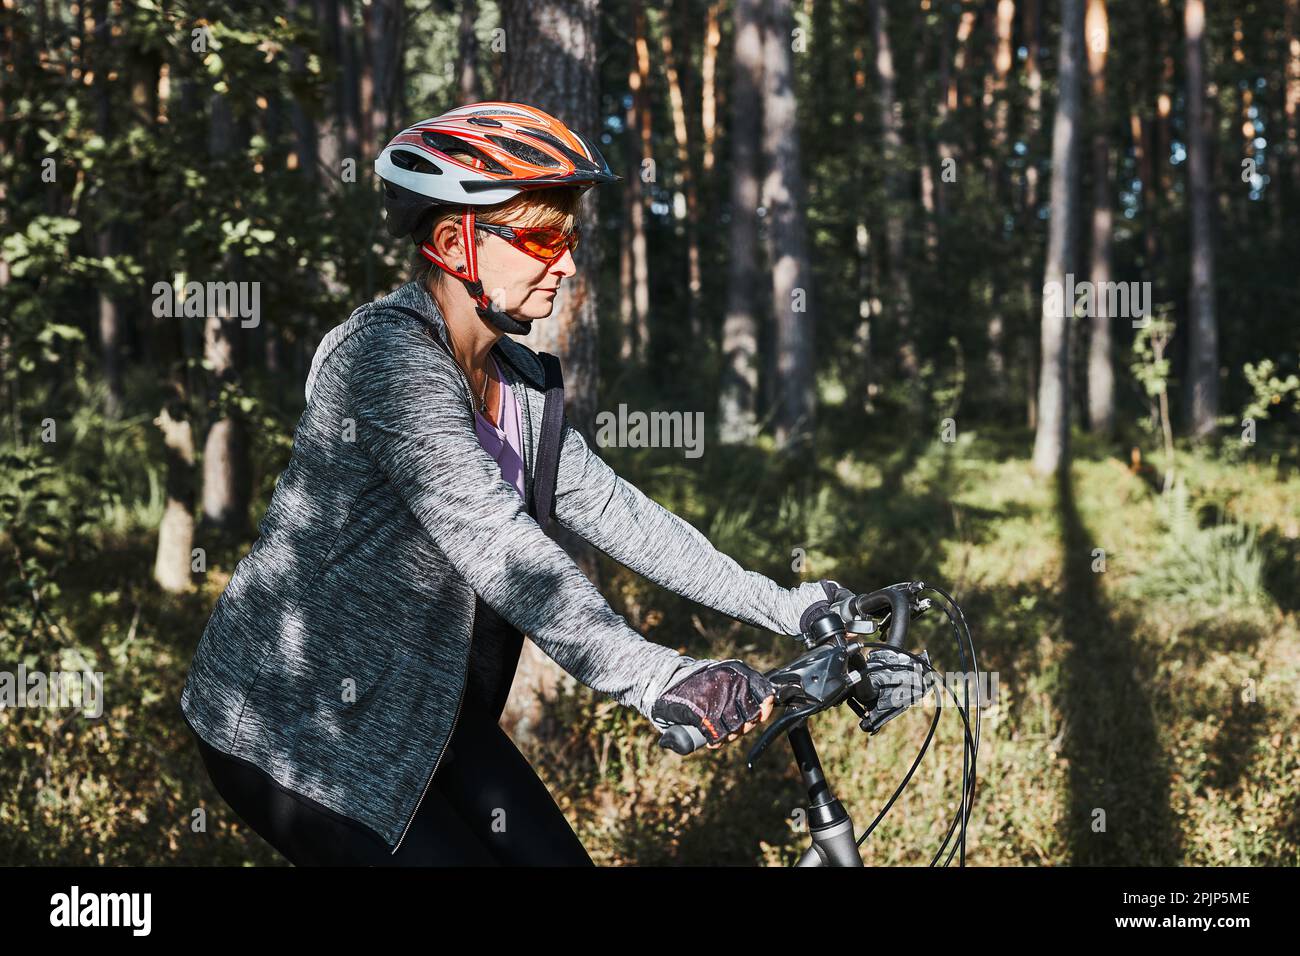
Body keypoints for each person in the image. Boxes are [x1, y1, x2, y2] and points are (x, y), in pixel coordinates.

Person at [179, 101, 837, 866]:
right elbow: (497, 544)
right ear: (456, 241)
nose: (565, 262)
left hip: (427, 713)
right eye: (541, 238)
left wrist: (787, 607)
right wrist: (655, 675)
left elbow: (623, 516)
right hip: (291, 725)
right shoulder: (388, 363)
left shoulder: (518, 383)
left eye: (570, 239)